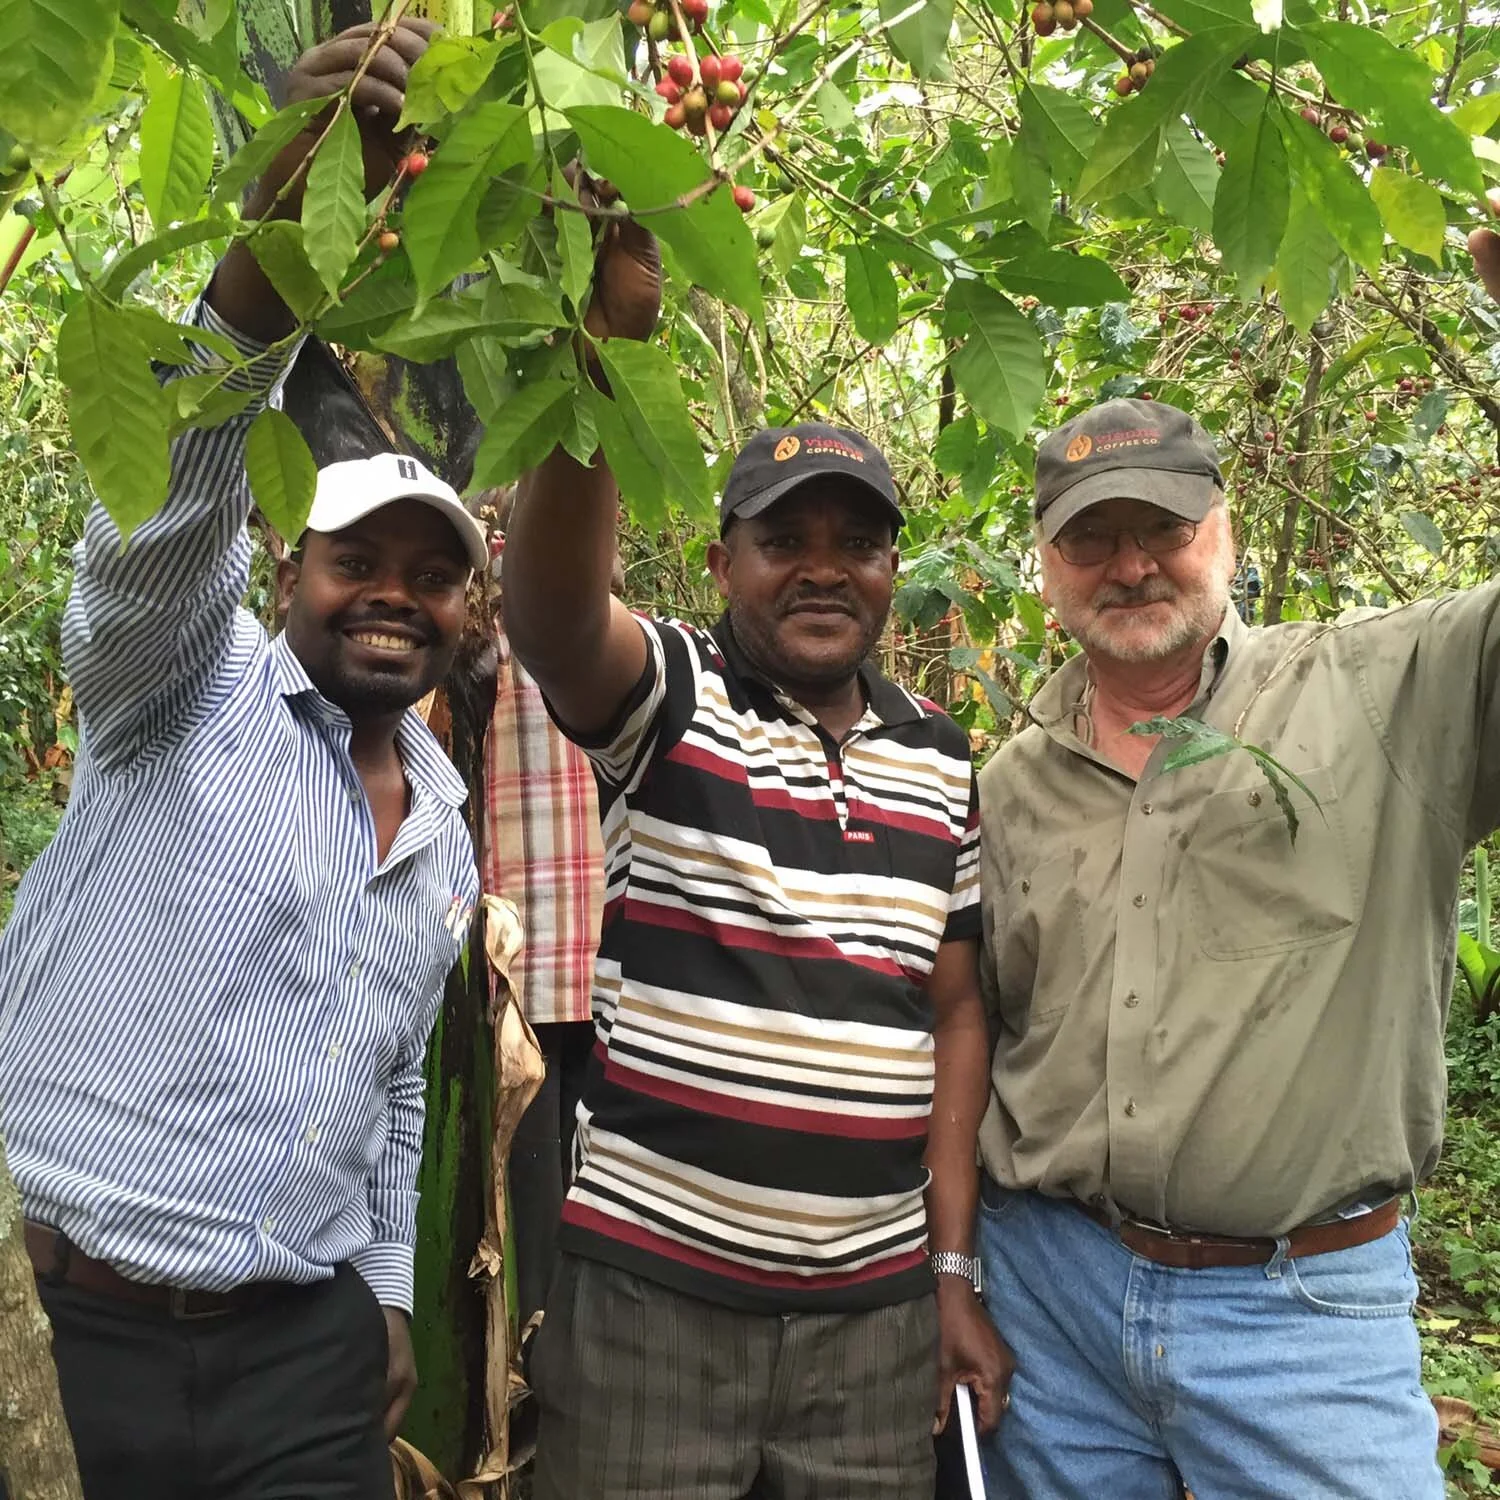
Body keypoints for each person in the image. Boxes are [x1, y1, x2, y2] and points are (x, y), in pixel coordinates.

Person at [0, 20, 484, 1499]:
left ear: (470, 606)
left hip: (302, 1357)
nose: (394, 590)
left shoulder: (445, 836)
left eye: (431, 569)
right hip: (74, 1324)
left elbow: (395, 1089)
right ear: (288, 571)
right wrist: (261, 256)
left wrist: (390, 1294)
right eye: (358, 559)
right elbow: (154, 539)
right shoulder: (183, 688)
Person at [504, 272, 1013, 1489]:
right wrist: (598, 347)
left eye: (857, 546)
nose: (823, 572)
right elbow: (554, 616)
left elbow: (954, 1014)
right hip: (653, 1306)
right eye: (785, 542)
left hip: (874, 1329)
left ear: (896, 569)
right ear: (726, 565)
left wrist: (950, 1275)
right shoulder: (675, 699)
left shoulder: (944, 759)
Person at [974, 394, 1500, 1499]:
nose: (1131, 567)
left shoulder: (1388, 691)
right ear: (1047, 564)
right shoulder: (1009, 782)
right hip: (1050, 1293)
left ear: (1228, 527)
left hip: (1299, 1311)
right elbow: (980, 1026)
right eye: (1091, 539)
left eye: (1164, 528)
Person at [478, 488, 613, 1324]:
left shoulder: (591, 636)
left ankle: (545, 1343)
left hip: (541, 944)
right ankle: (543, 1348)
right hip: (531, 944)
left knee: (545, 1169)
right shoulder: (592, 634)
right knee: (549, 1162)